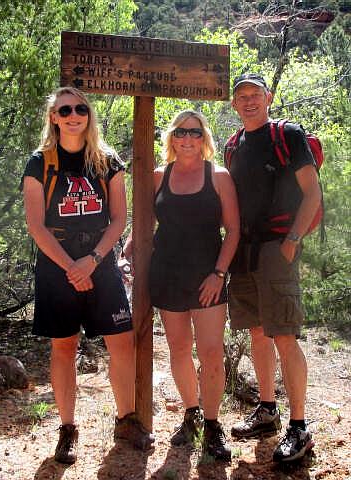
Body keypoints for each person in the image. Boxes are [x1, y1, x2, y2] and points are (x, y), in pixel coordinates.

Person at [22, 86, 154, 464]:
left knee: (122, 342)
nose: (74, 114)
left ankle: (126, 419)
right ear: (54, 117)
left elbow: (119, 219)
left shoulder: (106, 160)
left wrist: (92, 261)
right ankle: (67, 428)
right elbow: (36, 225)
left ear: (88, 114)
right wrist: (71, 267)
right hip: (56, 264)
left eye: (81, 108)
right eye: (65, 110)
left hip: (100, 262)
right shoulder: (39, 162)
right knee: (64, 347)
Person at [124, 110, 239, 461]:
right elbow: (143, 223)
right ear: (171, 138)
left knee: (211, 353)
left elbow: (233, 230)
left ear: (204, 137)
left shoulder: (218, 176)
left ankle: (212, 423)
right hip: (167, 274)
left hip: (207, 278)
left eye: (194, 132)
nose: (187, 139)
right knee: (177, 349)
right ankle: (191, 414)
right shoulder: (159, 175)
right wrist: (126, 253)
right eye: (180, 132)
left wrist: (218, 274)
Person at [226, 73, 321, 462]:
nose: (248, 101)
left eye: (254, 95)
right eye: (241, 97)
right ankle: (267, 410)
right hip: (244, 250)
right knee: (259, 332)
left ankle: (299, 427)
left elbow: (311, 190)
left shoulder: (287, 135)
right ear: (234, 105)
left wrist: (291, 243)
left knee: (284, 334)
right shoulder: (233, 146)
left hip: (277, 247)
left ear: (268, 97)